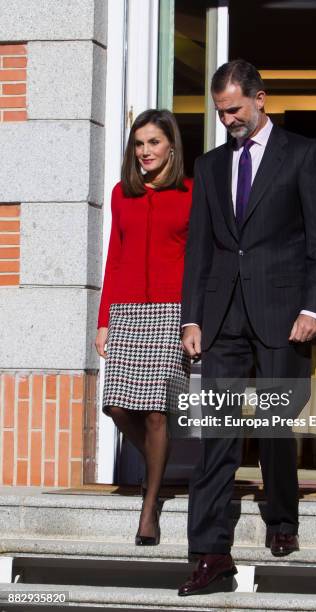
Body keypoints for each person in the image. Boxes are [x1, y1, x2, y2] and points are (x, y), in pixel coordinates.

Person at [179, 60, 316, 596]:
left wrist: (313, 309)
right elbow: (200, 248)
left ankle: (283, 521)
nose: (228, 120)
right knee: (217, 437)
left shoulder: (303, 155)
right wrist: (192, 318)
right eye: (221, 112)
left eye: (236, 109)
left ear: (260, 99)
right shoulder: (208, 166)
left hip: (283, 315)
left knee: (274, 426)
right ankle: (209, 554)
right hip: (222, 316)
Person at [95, 109, 192, 546]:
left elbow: (199, 262)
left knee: (156, 411)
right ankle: (161, 464)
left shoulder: (191, 192)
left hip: (171, 311)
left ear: (171, 145)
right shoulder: (122, 194)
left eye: (154, 142)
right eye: (139, 144)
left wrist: (197, 319)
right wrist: (103, 321)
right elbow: (114, 259)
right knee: (115, 406)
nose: (145, 151)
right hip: (128, 312)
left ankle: (149, 507)